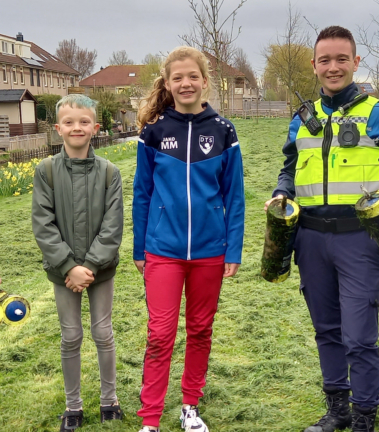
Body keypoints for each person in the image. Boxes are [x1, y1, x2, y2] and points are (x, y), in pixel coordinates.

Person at [266, 26, 379, 432]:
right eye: (324, 60)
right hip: (310, 238)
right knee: (326, 330)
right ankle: (338, 409)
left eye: (341, 59)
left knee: (358, 335)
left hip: (361, 239)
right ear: (315, 66)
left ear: (355, 63)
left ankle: (365, 414)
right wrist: (281, 193)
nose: (332, 67)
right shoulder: (303, 119)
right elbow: (288, 168)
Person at [131, 46, 245, 432]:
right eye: (177, 78)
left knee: (200, 329)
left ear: (204, 81)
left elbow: (235, 197)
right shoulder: (154, 132)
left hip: (211, 251)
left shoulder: (223, 131)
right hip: (162, 250)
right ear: (167, 83)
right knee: (160, 334)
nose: (185, 83)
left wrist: (234, 246)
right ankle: (150, 419)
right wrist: (138, 249)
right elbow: (142, 193)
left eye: (192, 76)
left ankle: (190, 407)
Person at [32, 94, 124, 431]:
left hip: (100, 271)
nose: (77, 127)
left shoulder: (110, 173)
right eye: (69, 122)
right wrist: (69, 267)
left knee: (103, 332)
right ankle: (73, 405)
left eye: (84, 122)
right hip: (63, 274)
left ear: (95, 128)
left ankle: (109, 400)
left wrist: (91, 266)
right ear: (58, 129)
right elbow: (43, 223)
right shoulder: (46, 172)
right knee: (70, 336)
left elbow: (113, 226)